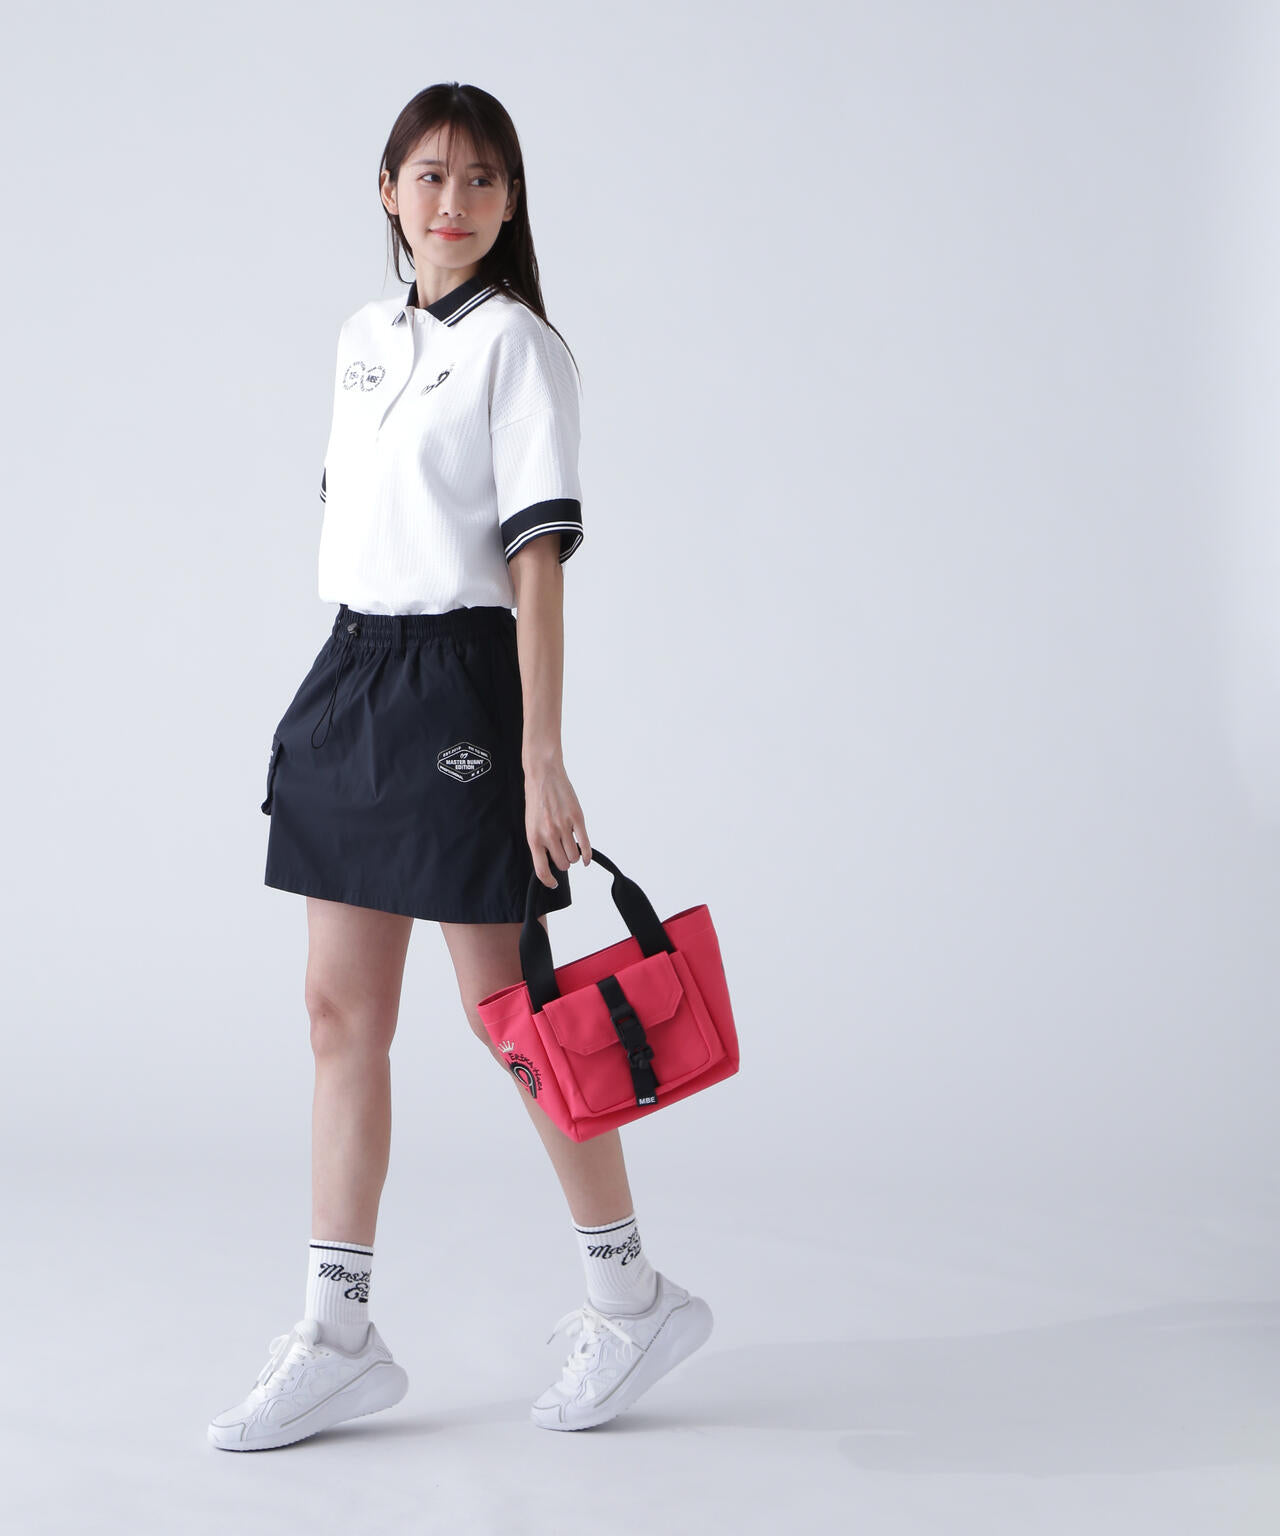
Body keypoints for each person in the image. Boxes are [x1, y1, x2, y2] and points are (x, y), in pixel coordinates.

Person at [207, 82, 713, 1453]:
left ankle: (632, 1299)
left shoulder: (521, 349)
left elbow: (537, 568)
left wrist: (542, 756)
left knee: (514, 1017)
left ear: (510, 201)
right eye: (429, 175)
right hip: (351, 670)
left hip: (460, 688)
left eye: (483, 179)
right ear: (387, 191)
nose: (454, 200)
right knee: (337, 1014)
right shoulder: (362, 340)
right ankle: (337, 1337)